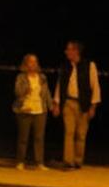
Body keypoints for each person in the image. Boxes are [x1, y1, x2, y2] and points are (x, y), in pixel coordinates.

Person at [50, 39, 100, 169]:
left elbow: (95, 86)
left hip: (83, 104)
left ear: (76, 51)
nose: (66, 52)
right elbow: (59, 86)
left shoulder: (90, 65)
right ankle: (68, 161)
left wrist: (93, 106)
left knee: (81, 134)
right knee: (69, 132)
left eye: (69, 49)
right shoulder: (64, 67)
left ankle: (78, 160)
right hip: (68, 102)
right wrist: (56, 103)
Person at [12, 53, 52, 170]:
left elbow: (46, 93)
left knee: (39, 138)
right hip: (25, 109)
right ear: (26, 64)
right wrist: (26, 89)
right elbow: (17, 92)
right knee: (23, 138)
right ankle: (20, 161)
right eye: (30, 61)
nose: (33, 64)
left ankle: (39, 162)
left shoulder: (42, 77)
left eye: (35, 62)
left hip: (40, 109)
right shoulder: (21, 77)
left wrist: (51, 106)